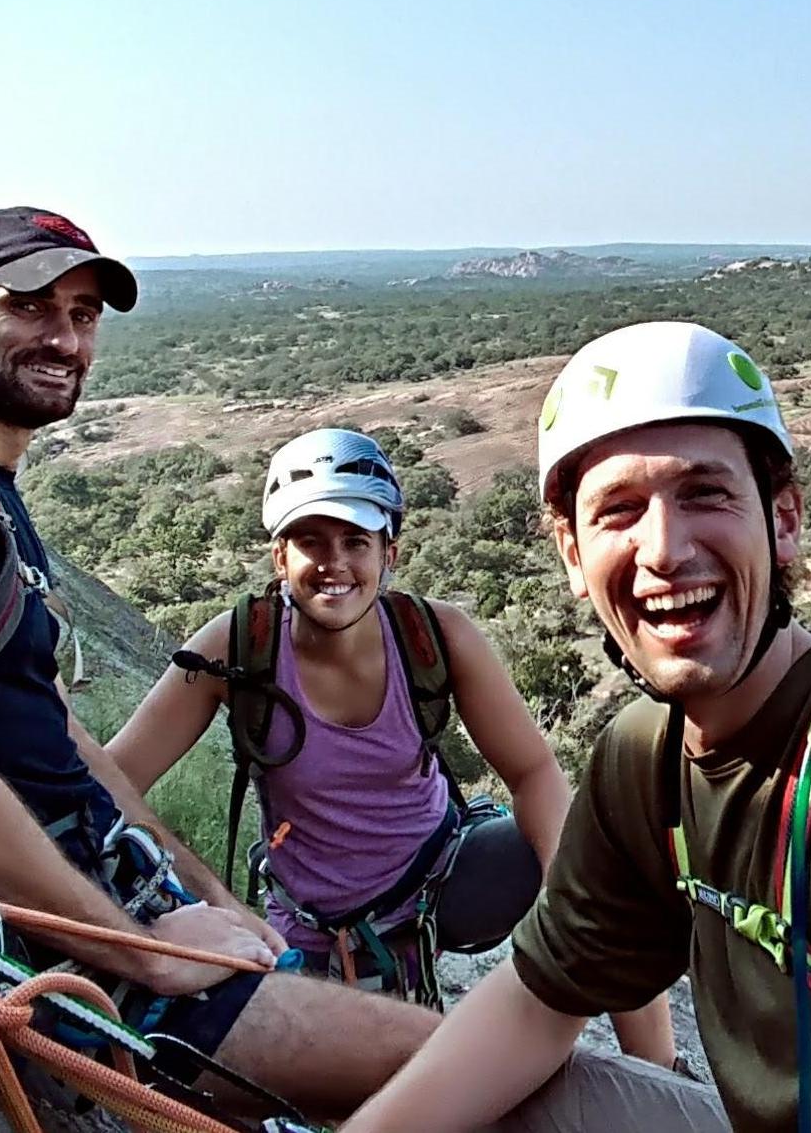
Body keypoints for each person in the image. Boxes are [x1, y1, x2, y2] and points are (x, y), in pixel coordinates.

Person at [0, 208, 718, 1130]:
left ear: (392, 550)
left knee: (536, 1013)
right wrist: (148, 951)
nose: (65, 336)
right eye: (29, 306)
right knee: (506, 1083)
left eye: (81, 312)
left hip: (188, 917)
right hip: (108, 958)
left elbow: (86, 769)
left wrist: (213, 905)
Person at [341, 320, 811, 1133]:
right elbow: (536, 1007)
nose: (664, 549)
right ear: (573, 555)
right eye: (618, 511)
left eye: (704, 494)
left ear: (785, 520)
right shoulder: (646, 758)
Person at [109, 425, 674, 1061]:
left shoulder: (435, 638)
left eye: (356, 540)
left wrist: (568, 893)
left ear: (390, 552)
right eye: (309, 541)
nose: (335, 563)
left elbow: (535, 772)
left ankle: (658, 1075)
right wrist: (210, 901)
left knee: (608, 856)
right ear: (279, 557)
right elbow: (111, 780)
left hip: (442, 878)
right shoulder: (235, 650)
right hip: (312, 922)